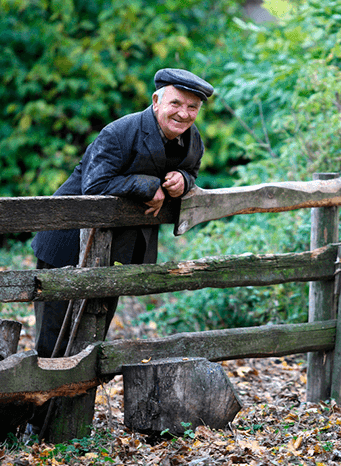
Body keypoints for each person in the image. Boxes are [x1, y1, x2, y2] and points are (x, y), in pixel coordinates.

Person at [30, 67, 213, 359]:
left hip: (115, 249)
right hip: (66, 242)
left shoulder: (192, 140)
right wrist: (149, 185)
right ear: (156, 100)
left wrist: (182, 180)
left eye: (193, 107)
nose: (184, 113)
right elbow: (94, 185)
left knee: (92, 337)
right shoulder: (119, 133)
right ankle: (39, 403)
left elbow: (191, 170)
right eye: (176, 103)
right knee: (54, 342)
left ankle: (77, 399)